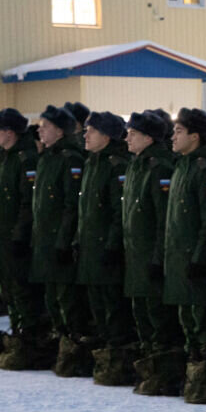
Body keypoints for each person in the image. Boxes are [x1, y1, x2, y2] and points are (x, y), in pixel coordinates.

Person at [122, 111, 182, 395]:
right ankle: (149, 370)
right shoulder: (137, 165)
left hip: (150, 257)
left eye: (132, 134)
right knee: (142, 316)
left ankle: (164, 373)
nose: (127, 138)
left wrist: (158, 257)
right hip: (135, 255)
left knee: (158, 320)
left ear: (147, 138)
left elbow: (162, 220)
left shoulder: (159, 167)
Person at [31, 105, 92, 374]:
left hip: (60, 242)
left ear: (58, 130)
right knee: (52, 299)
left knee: (67, 301)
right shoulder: (47, 157)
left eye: (44, 125)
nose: (39, 130)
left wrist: (64, 241)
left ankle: (75, 348)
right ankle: (61, 345)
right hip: (44, 240)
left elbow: (71, 205)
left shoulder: (69, 158)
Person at [163, 108, 206, 389]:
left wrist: (199, 258)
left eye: (178, 131)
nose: (172, 136)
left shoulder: (204, 169)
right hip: (178, 260)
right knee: (187, 321)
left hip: (196, 263)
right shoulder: (182, 166)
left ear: (195, 137)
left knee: (203, 324)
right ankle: (193, 374)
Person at [0, 108, 45, 369]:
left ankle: (29, 339)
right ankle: (18, 333)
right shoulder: (3, 156)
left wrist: (20, 235)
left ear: (10, 133)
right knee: (9, 292)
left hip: (14, 239)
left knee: (22, 293)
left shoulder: (24, 159)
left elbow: (26, 202)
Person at [75, 112, 134, 351]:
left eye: (91, 131)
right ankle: (103, 349)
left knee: (112, 304)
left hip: (106, 248)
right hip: (90, 246)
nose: (85, 135)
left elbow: (117, 211)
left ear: (107, 136)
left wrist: (111, 245)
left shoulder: (115, 165)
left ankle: (116, 350)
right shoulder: (92, 162)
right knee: (96, 303)